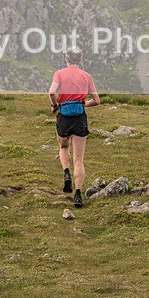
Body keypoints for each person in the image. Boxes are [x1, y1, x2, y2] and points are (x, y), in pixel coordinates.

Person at [49, 46, 100, 208]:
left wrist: (55, 106)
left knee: (64, 147)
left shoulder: (59, 73)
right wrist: (84, 104)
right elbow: (97, 101)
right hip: (79, 117)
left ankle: (66, 173)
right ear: (81, 59)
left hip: (63, 116)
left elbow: (51, 92)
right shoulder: (87, 76)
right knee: (79, 159)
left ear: (66, 58)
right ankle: (78, 195)